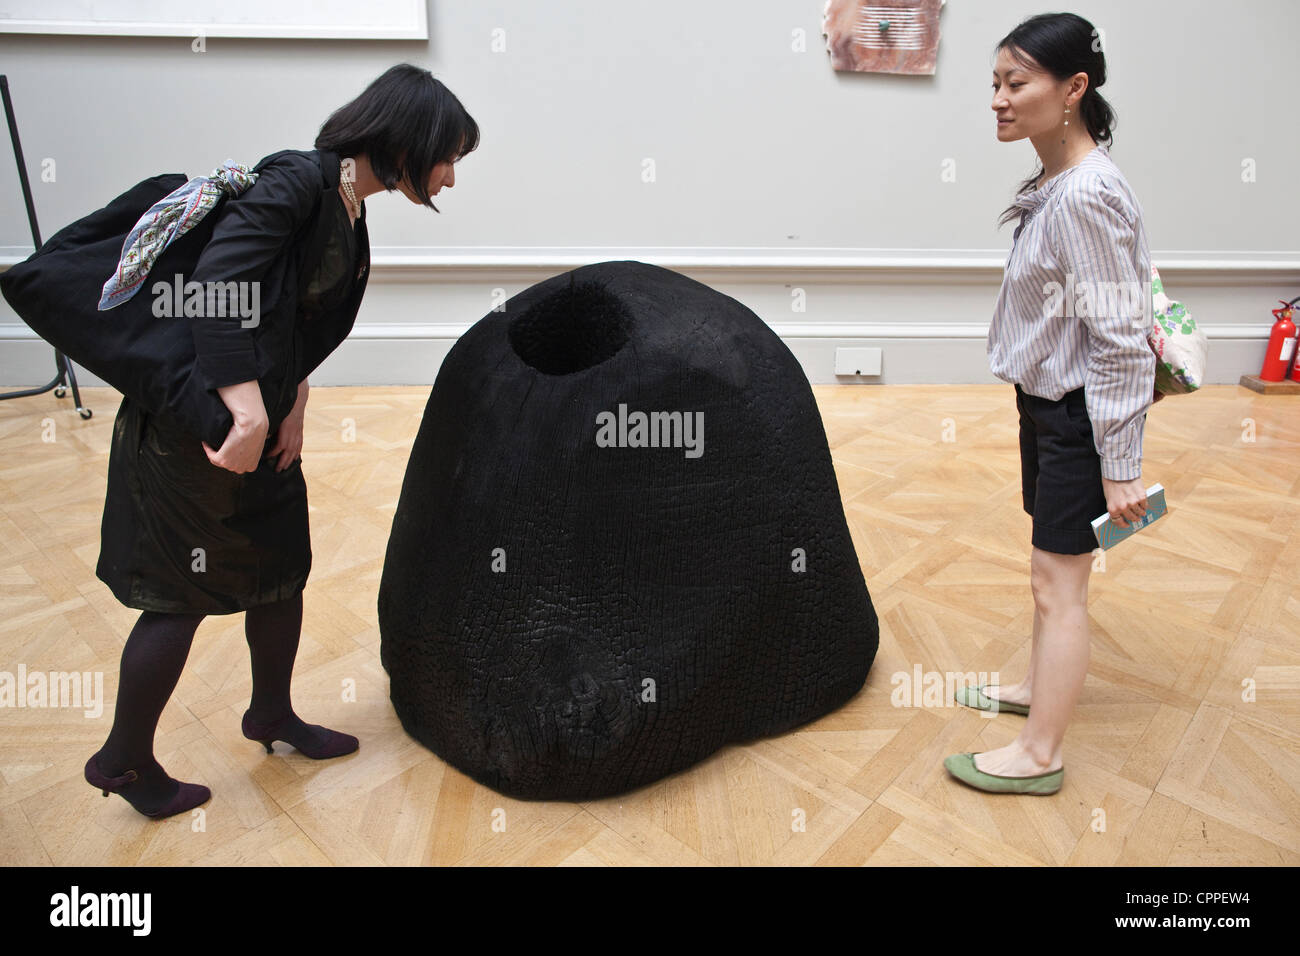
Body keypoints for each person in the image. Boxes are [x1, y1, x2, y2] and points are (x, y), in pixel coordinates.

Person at [85, 64, 480, 818]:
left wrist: (292, 400)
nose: (451, 177)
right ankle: (123, 760)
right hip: (195, 431)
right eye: (448, 155)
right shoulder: (296, 182)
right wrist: (246, 410)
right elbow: (216, 288)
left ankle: (271, 714)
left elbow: (289, 316)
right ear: (408, 139)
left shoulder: (348, 202)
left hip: (257, 420)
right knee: (179, 595)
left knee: (279, 569)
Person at [943, 13, 1156, 795]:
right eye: (995, 83)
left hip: (1078, 417)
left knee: (1058, 584)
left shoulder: (1085, 196)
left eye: (1016, 83)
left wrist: (1122, 464)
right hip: (1050, 405)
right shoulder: (1058, 183)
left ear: (1073, 89)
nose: (998, 100)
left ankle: (1041, 756)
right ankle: (1037, 694)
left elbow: (1123, 336)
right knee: (1049, 574)